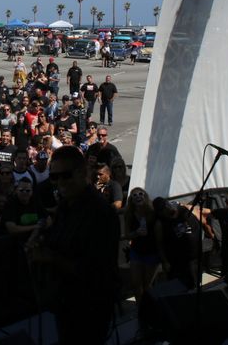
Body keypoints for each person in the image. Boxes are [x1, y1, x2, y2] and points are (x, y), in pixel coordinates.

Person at [25, 146, 120, 345]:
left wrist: (50, 257)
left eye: (65, 175)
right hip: (65, 301)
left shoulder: (100, 212)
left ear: (82, 173)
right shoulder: (66, 206)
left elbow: (95, 269)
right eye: (54, 177)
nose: (60, 182)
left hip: (89, 307)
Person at [124, 188, 161, 309]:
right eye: (134, 195)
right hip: (136, 251)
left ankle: (149, 309)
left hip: (152, 252)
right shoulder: (130, 214)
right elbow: (127, 234)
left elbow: (159, 235)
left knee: (147, 285)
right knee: (136, 284)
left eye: (141, 194)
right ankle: (140, 309)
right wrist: (136, 233)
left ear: (145, 197)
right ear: (131, 200)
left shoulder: (153, 213)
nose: (138, 196)